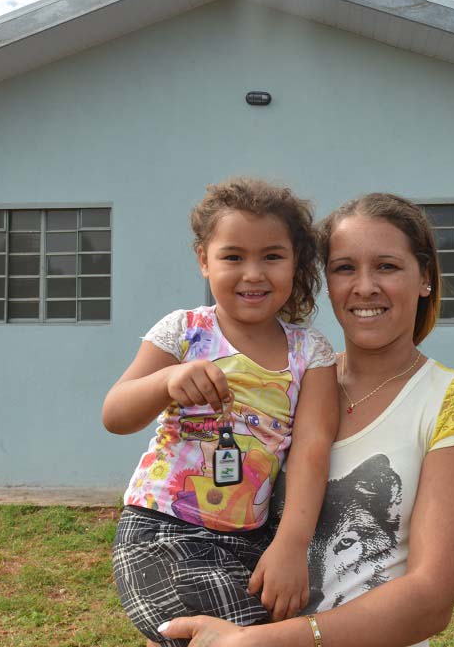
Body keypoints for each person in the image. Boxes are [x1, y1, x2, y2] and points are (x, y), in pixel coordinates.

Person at [160, 193, 454, 647]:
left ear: (424, 277)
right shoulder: (286, 384)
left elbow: (430, 600)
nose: (364, 287)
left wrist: (262, 643)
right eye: (345, 268)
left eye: (386, 266)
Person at [102, 178, 339, 647]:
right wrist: (166, 381)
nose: (253, 273)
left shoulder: (311, 352)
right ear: (202, 260)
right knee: (234, 636)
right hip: (161, 533)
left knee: (261, 634)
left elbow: (313, 448)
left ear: (296, 262)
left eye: (272, 256)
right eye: (233, 257)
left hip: (253, 542)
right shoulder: (183, 330)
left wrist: (290, 545)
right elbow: (116, 414)